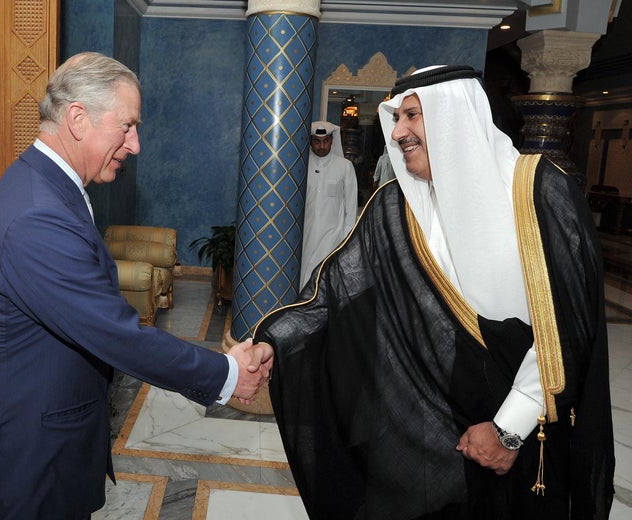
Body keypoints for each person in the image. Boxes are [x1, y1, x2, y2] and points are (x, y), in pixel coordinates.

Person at [253, 65, 614, 519]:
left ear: (454, 116)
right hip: (430, 418)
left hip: (527, 425)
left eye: (412, 116)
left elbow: (568, 326)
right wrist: (270, 342)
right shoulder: (395, 205)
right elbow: (331, 291)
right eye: (396, 118)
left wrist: (508, 429)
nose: (398, 131)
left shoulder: (540, 191)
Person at [0, 52, 273, 519]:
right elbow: (116, 332)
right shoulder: (38, 214)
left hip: (50, 452)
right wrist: (227, 374)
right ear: (78, 119)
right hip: (24, 467)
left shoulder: (52, 189)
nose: (136, 144)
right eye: (127, 126)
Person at [299, 120, 358, 289]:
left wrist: (346, 240)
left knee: (324, 279)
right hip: (306, 235)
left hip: (333, 236)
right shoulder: (303, 166)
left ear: (332, 140)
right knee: (304, 276)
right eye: (317, 141)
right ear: (311, 141)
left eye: (325, 141)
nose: (321, 146)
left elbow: (351, 205)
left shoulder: (345, 167)